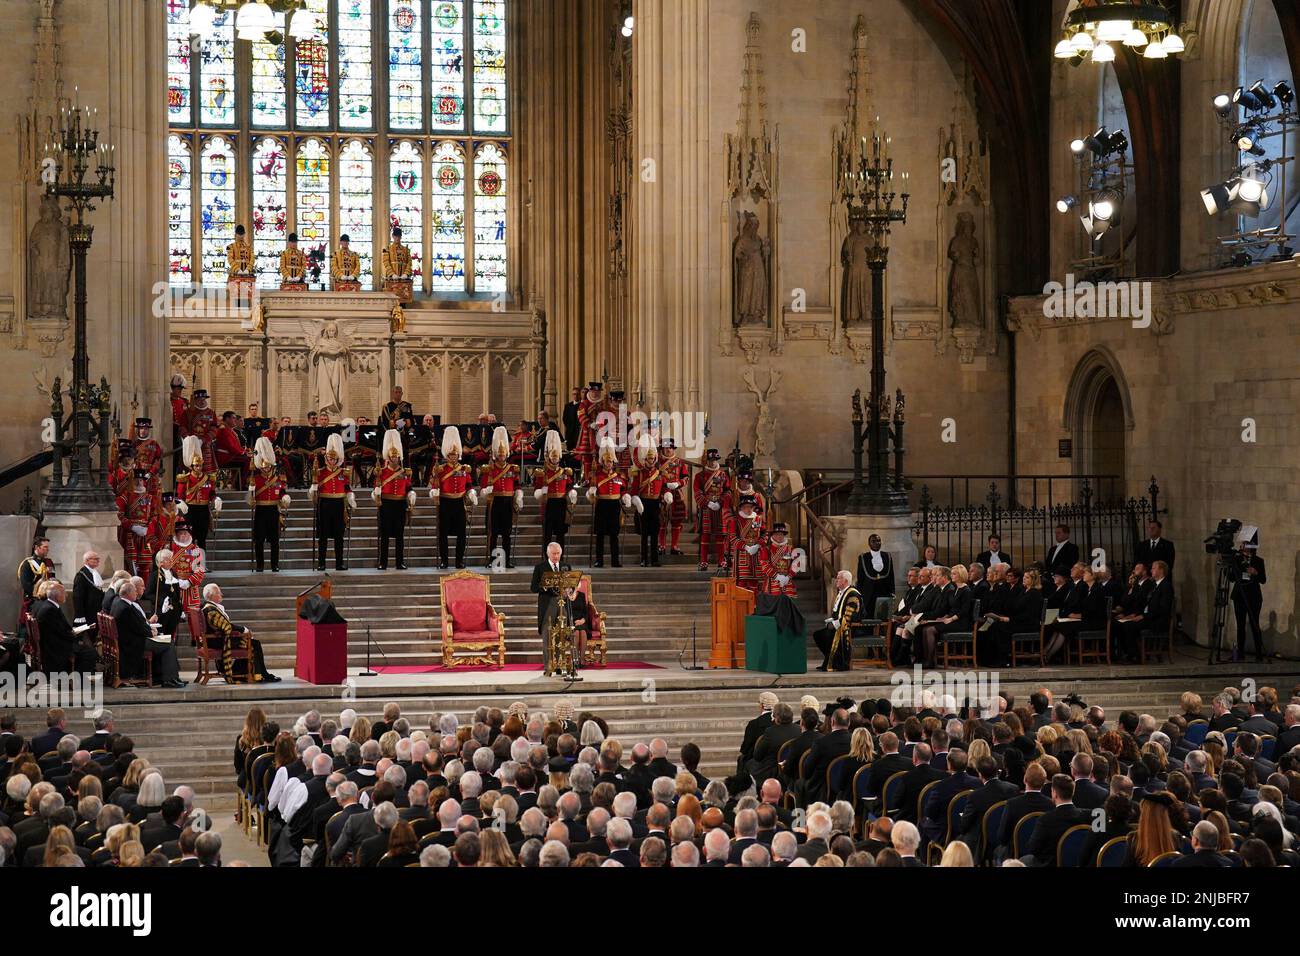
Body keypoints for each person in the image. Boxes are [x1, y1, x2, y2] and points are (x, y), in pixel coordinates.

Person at [110, 578, 184, 688]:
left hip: (130, 640)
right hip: (133, 644)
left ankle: (169, 677)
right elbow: (138, 628)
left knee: (166, 643)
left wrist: (149, 630)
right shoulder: (126, 608)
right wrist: (151, 632)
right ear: (129, 593)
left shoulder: (119, 604)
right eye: (134, 591)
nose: (136, 594)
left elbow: (137, 625)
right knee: (168, 645)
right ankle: (169, 679)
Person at [201, 583, 278, 683]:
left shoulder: (210, 607)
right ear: (211, 595)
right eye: (219, 593)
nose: (222, 594)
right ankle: (259, 674)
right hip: (219, 642)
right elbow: (227, 626)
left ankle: (240, 673)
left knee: (253, 642)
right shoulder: (210, 609)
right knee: (254, 644)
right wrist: (243, 630)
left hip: (217, 639)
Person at [429, 426, 476, 569]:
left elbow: (468, 484)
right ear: (447, 456)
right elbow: (434, 484)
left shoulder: (463, 469)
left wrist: (471, 493)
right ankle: (444, 560)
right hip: (445, 502)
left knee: (461, 534)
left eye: (455, 454)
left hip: (459, 503)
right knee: (443, 533)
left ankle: (459, 560)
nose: (454, 457)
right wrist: (434, 493)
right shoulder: (441, 469)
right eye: (451, 454)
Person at [372, 429, 416, 571]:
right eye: (393, 457)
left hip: (400, 504)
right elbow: (376, 487)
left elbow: (408, 486)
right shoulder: (382, 471)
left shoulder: (404, 472)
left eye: (397, 457)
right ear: (388, 458)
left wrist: (411, 494)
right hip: (386, 504)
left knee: (399, 535)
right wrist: (376, 493)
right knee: (384, 535)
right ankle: (382, 562)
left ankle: (399, 562)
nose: (395, 459)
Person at [310, 434, 356, 572]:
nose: (331, 460)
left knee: (339, 536)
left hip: (339, 505)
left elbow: (347, 488)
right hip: (324, 504)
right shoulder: (319, 472)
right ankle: (321, 563)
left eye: (334, 458)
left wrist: (351, 497)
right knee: (323, 536)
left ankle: (339, 563)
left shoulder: (343, 473)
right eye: (329, 458)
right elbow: (314, 490)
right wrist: (313, 489)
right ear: (326, 458)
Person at [479, 426, 523, 569]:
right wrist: (487, 490)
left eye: (503, 454)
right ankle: (492, 560)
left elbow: (517, 485)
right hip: (495, 502)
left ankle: (506, 560)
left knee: (507, 534)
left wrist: (518, 495)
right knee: (493, 533)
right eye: (499, 454)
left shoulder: (512, 469)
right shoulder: (489, 469)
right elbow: (483, 487)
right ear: (495, 454)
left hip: (508, 503)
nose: (501, 456)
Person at [1116, 560, 1174, 663]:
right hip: (1150, 617)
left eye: (1154, 568)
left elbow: (1162, 608)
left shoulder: (1166, 586)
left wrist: (1143, 616)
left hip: (1157, 621)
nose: (1151, 570)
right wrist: (1136, 615)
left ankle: (1135, 656)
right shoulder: (1156, 585)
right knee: (1123, 624)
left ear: (1161, 570)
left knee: (1129, 626)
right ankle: (1130, 654)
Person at [34, 583, 98, 675]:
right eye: (64, 593)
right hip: (55, 648)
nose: (66, 595)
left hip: (56, 642)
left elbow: (60, 629)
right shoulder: (50, 610)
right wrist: (75, 635)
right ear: (57, 596)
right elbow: (62, 632)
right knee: (89, 652)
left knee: (85, 645)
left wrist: (75, 632)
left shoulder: (50, 606)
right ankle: (79, 679)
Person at [586, 437, 630, 568]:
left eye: (610, 461)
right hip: (602, 505)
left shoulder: (619, 476)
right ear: (602, 462)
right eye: (606, 461)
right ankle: (599, 560)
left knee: (614, 535)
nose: (608, 464)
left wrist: (625, 496)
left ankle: (615, 561)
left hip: (615, 506)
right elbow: (591, 491)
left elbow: (623, 489)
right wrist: (591, 492)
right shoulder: (596, 475)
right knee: (600, 535)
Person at [629, 435, 672, 568]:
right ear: (645, 459)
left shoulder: (659, 474)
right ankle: (643, 559)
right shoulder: (640, 473)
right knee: (644, 534)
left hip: (655, 505)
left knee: (654, 534)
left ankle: (654, 559)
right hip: (643, 505)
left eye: (653, 458)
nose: (651, 461)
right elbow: (634, 491)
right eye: (649, 458)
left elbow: (664, 487)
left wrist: (666, 494)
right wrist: (636, 501)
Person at [531, 543, 572, 673]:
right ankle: (548, 666)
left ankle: (560, 665)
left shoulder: (566, 567)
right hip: (547, 604)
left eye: (558, 553)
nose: (556, 556)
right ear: (548, 554)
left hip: (562, 604)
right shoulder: (540, 567)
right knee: (547, 636)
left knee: (562, 635)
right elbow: (533, 587)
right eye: (553, 554)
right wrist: (544, 586)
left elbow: (571, 585)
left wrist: (569, 590)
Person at [533, 431, 577, 551]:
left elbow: (569, 486)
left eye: (556, 457)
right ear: (549, 458)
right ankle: (546, 557)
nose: (554, 458)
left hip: (561, 503)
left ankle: (560, 556)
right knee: (547, 533)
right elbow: (536, 488)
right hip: (549, 503)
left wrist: (572, 493)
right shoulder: (543, 472)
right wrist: (542, 492)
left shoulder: (564, 471)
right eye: (553, 457)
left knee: (560, 533)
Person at [175, 436, 221, 550]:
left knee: (202, 538)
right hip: (190, 509)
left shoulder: (208, 478)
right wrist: (180, 502)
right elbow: (179, 496)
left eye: (200, 465)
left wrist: (216, 499)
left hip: (203, 510)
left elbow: (211, 493)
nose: (198, 467)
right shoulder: (185, 479)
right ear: (192, 466)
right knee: (190, 537)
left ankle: (202, 564)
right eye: (196, 465)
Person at [813, 571, 860, 672]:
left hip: (849, 628)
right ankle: (830, 661)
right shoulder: (841, 593)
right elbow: (838, 612)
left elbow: (849, 616)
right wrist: (831, 620)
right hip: (840, 625)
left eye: (839, 578)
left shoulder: (853, 594)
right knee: (818, 635)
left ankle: (838, 663)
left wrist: (834, 624)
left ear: (845, 581)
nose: (836, 580)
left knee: (824, 635)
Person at [693, 449, 731, 572]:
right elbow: (697, 492)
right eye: (711, 460)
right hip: (706, 508)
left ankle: (721, 561)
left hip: (719, 508)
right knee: (705, 535)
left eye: (715, 460)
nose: (713, 462)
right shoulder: (700, 476)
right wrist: (707, 503)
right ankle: (703, 561)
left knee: (720, 535)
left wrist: (720, 502)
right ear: (707, 461)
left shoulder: (723, 475)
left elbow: (728, 491)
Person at [116, 469, 157, 580]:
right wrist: (132, 526)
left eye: (141, 480)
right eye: (136, 480)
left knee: (145, 563)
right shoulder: (125, 496)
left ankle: (143, 589)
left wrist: (148, 529)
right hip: (130, 534)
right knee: (130, 563)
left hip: (144, 535)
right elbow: (119, 514)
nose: (139, 482)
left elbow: (154, 515)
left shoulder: (150, 497)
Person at [1230, 536, 1266, 663]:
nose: (1245, 545)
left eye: (1248, 543)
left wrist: (1255, 573)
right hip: (1239, 596)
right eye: (1244, 543)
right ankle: (1240, 653)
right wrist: (1231, 565)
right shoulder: (1236, 559)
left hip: (1254, 596)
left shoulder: (1258, 560)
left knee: (1254, 624)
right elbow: (1231, 578)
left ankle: (1259, 654)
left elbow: (1263, 580)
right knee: (1240, 625)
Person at [657, 438, 689, 557]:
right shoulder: (658, 462)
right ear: (663, 449)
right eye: (666, 448)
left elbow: (686, 478)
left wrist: (678, 483)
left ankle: (674, 546)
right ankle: (662, 545)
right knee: (662, 521)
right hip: (662, 493)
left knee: (677, 521)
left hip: (676, 494)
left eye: (670, 447)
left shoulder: (679, 462)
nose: (668, 450)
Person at [726, 495, 765, 589]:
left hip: (756, 554)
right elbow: (732, 537)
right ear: (741, 508)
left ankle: (755, 603)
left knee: (754, 582)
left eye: (750, 507)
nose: (748, 509)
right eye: (745, 507)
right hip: (741, 554)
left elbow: (764, 534)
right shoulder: (735, 521)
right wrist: (745, 546)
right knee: (741, 582)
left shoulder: (759, 519)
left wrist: (758, 545)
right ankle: (741, 603)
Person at [855, 534, 895, 620]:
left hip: (884, 592)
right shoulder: (863, 557)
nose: (877, 543)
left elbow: (891, 576)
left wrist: (892, 591)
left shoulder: (887, 556)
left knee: (883, 617)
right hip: (868, 593)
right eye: (873, 541)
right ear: (869, 543)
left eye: (878, 541)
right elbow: (860, 578)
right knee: (869, 617)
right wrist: (859, 595)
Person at [185, 389, 219, 475]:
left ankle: (207, 484)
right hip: (191, 444)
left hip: (205, 443)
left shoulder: (211, 413)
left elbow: (214, 428)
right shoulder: (188, 412)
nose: (202, 401)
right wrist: (188, 438)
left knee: (206, 469)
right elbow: (182, 427)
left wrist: (204, 439)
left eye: (204, 399)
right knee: (191, 466)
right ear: (195, 401)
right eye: (199, 400)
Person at [760, 523, 798, 597]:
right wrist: (777, 576)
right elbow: (765, 565)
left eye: (781, 534)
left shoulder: (790, 549)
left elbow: (796, 564)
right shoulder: (766, 549)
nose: (779, 536)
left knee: (787, 605)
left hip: (787, 582)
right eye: (777, 534)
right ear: (772, 536)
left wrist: (788, 576)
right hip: (772, 583)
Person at [214, 412, 251, 487]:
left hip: (230, 456)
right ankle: (240, 484)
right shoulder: (223, 430)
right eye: (233, 418)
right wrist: (243, 453)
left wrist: (244, 451)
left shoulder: (228, 429)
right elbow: (231, 446)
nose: (235, 420)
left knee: (246, 458)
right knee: (246, 460)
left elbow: (235, 445)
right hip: (225, 458)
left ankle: (238, 482)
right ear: (227, 419)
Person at [72, 551, 104, 632]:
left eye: (98, 559)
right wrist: (80, 615)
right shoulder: (81, 575)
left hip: (95, 611)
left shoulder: (94, 572)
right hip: (87, 613)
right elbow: (77, 597)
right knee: (86, 636)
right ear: (87, 560)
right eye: (95, 559)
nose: (98, 560)